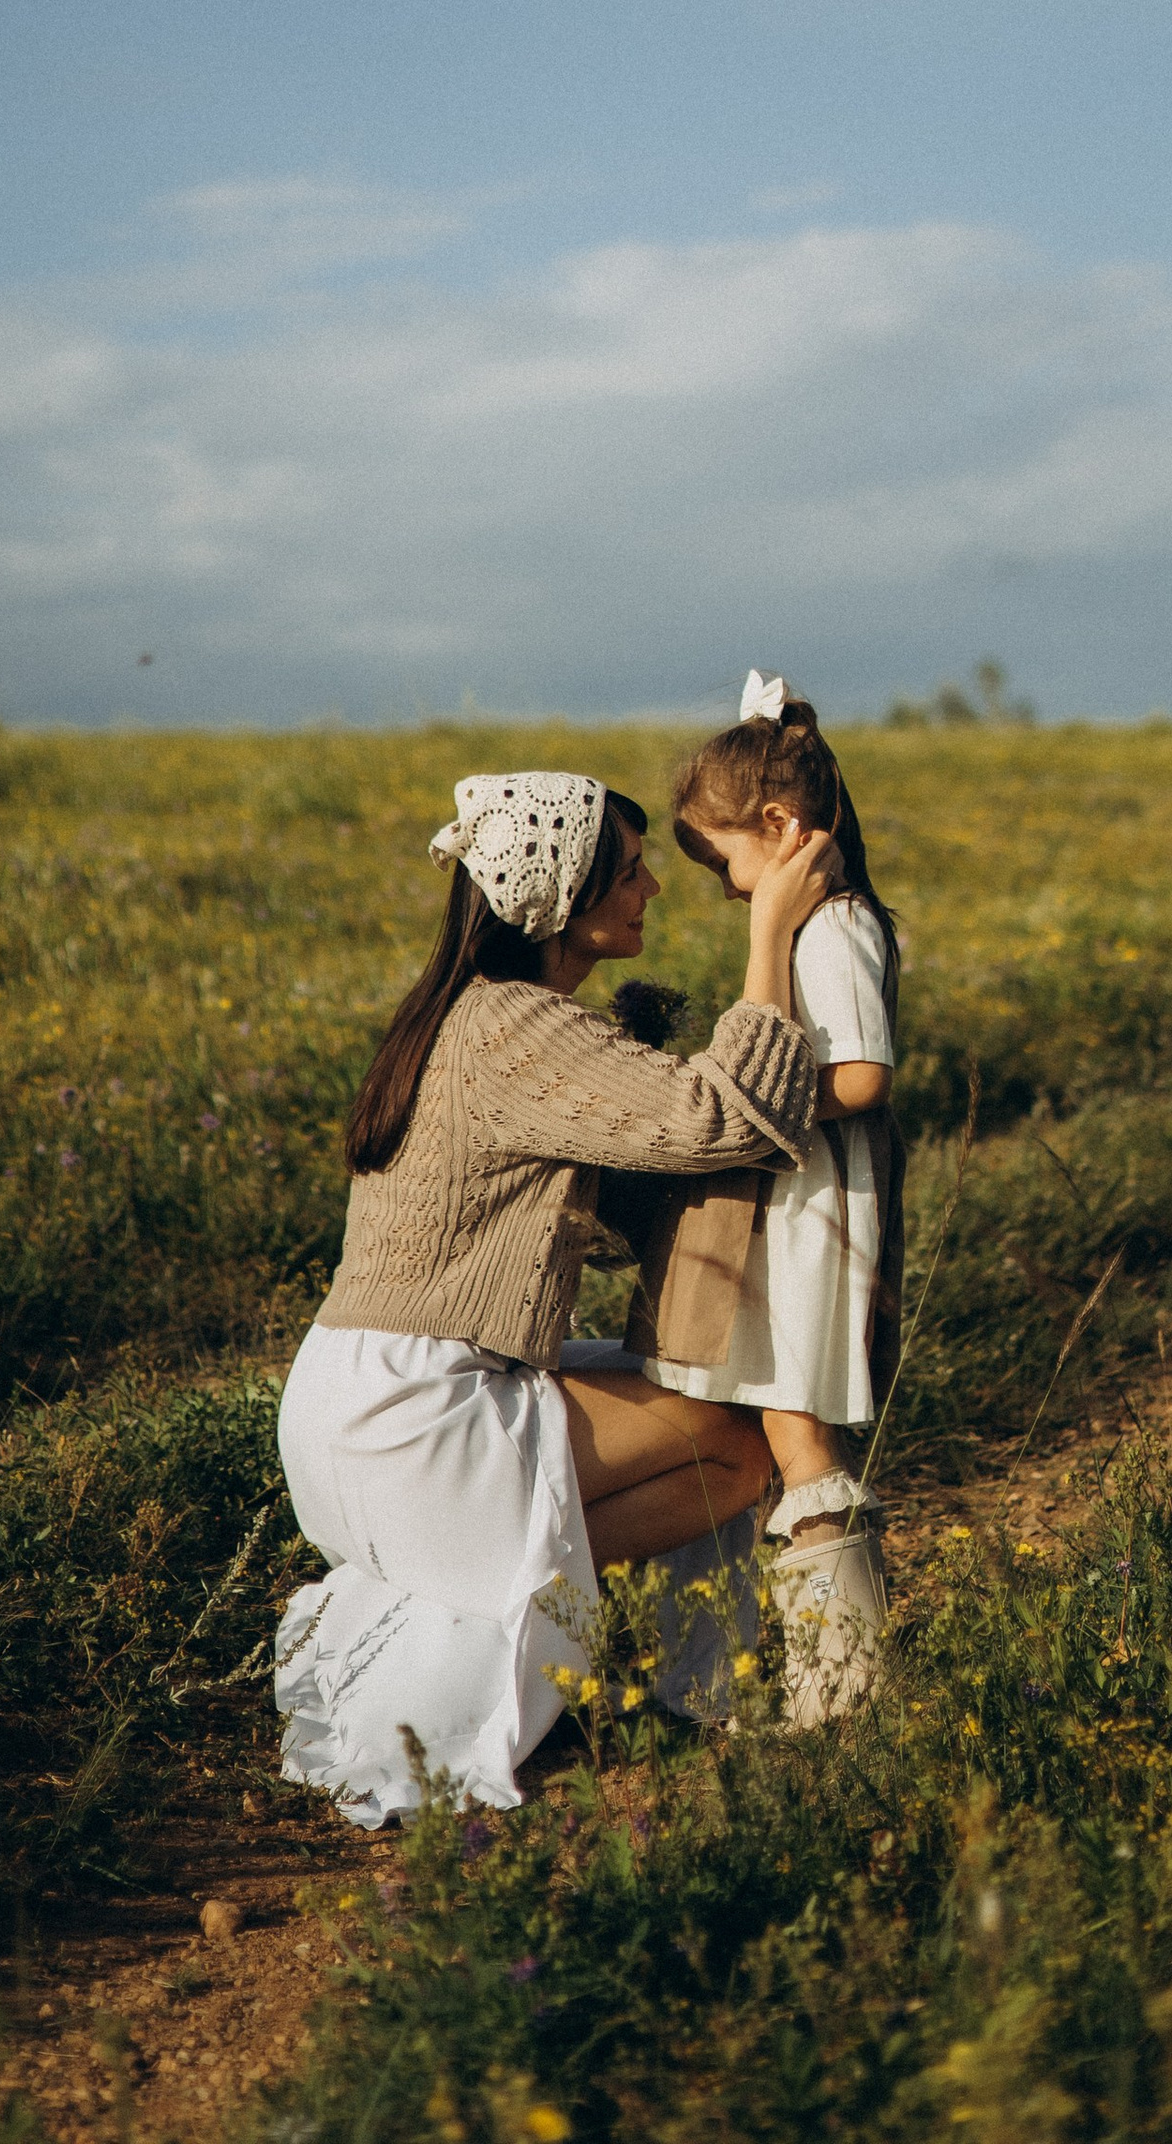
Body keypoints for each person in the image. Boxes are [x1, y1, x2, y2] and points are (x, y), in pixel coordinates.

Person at [274, 766, 837, 1826]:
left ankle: (551, 1617)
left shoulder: (459, 1017)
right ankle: (624, 1658)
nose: (652, 894)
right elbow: (728, 1118)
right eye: (628, 875)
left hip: (356, 1394)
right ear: (563, 899)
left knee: (677, 1410)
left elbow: (628, 1177)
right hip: (421, 1413)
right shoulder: (514, 1026)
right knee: (732, 1443)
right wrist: (770, 934)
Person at [630, 675, 902, 1713]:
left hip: (812, 1216)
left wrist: (759, 1095)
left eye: (727, 864)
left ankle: (844, 1695)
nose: (731, 888)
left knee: (798, 1438)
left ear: (780, 828)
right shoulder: (813, 925)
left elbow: (865, 1074)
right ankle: (736, 1676)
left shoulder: (834, 929)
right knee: (758, 1430)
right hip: (785, 1210)